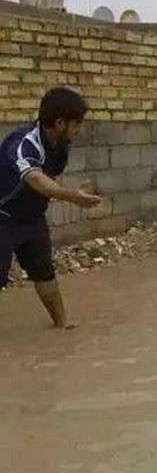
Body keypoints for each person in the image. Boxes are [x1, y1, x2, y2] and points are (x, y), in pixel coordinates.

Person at [0, 86, 101, 328]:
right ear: (60, 123)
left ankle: (63, 325)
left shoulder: (60, 146)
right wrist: (71, 195)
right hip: (2, 218)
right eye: (77, 124)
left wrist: (72, 191)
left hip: (31, 218)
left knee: (44, 271)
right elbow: (35, 178)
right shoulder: (24, 144)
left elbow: (48, 179)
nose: (79, 130)